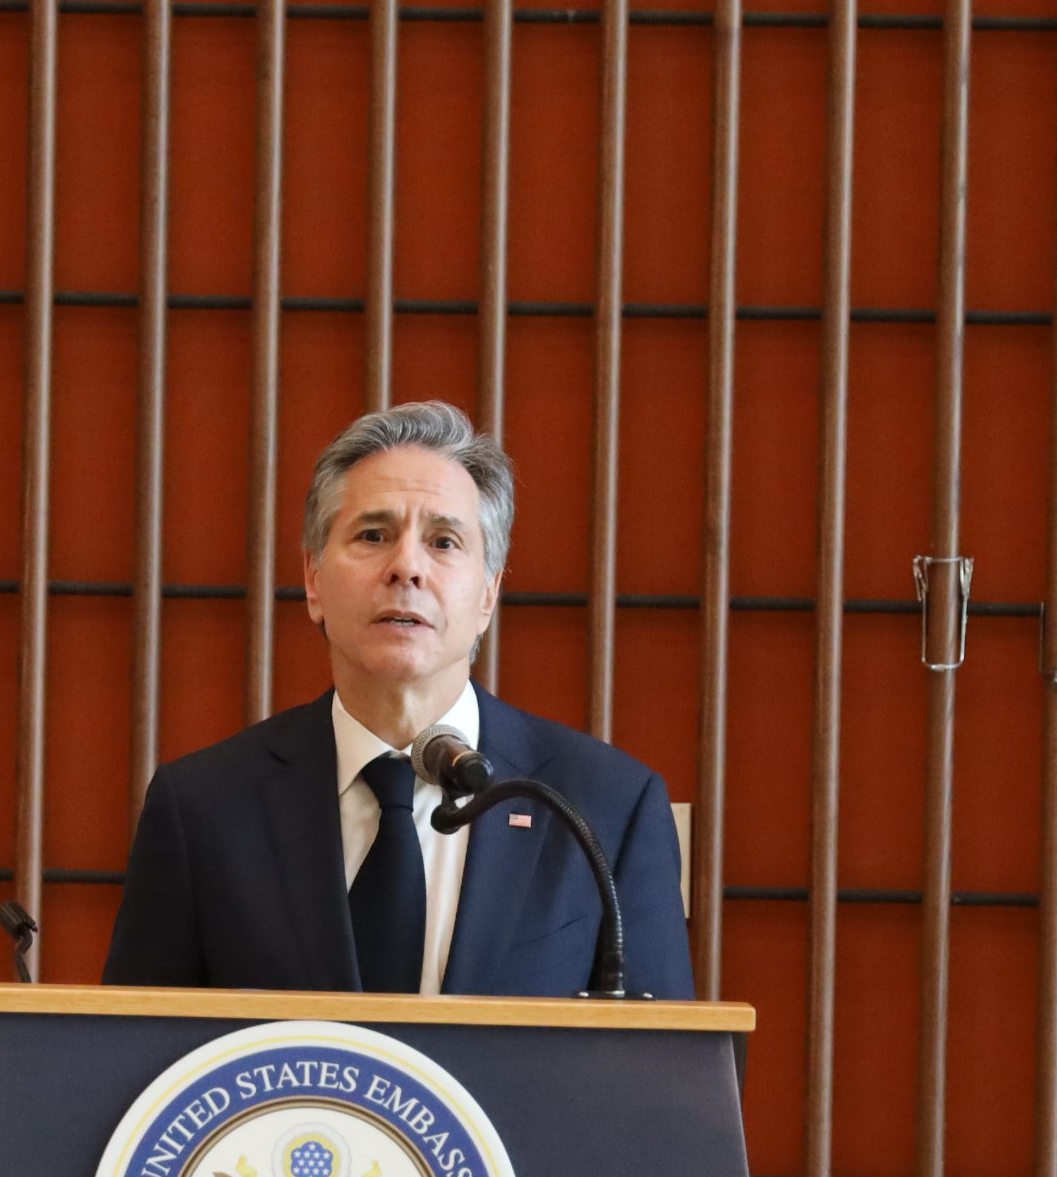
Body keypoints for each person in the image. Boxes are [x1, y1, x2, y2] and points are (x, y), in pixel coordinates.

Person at [106, 401, 697, 1000]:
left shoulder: (603, 807)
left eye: (443, 541)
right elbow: (136, 1050)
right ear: (313, 580)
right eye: (373, 535)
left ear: (488, 594)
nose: (407, 567)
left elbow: (662, 1053)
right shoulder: (202, 808)